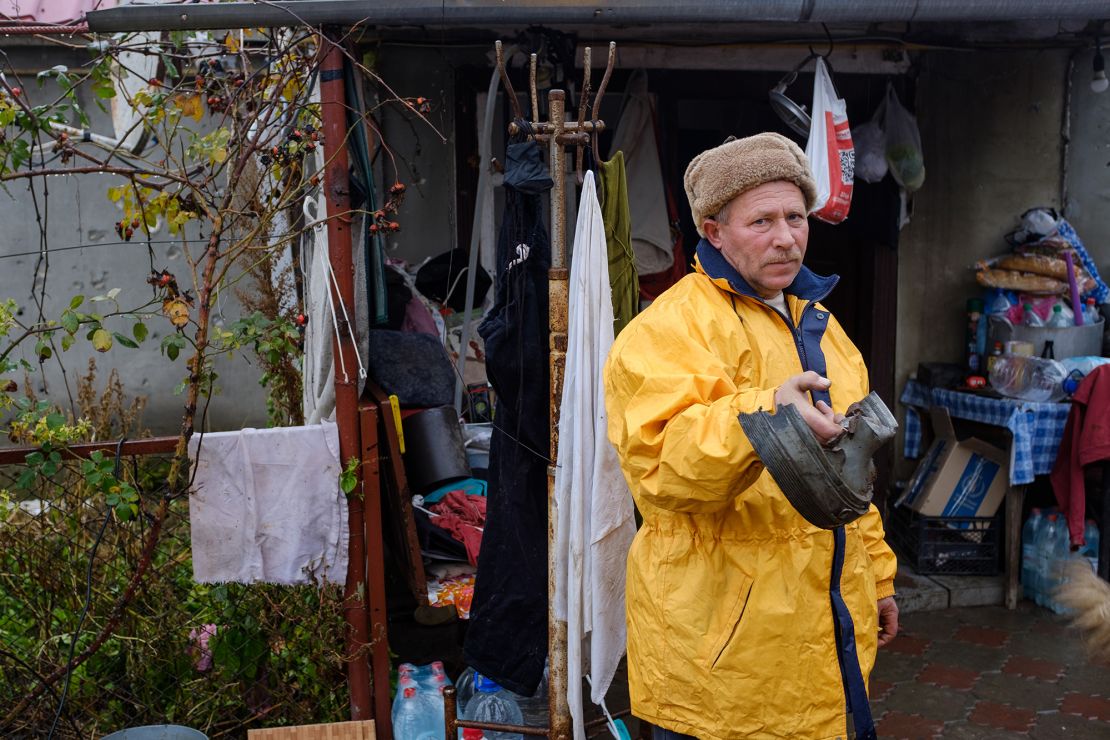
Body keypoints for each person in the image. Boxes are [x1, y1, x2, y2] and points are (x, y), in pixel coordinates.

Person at [603, 132, 898, 740]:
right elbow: (662, 467)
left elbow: (854, 474)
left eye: (795, 217)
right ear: (714, 232)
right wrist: (767, 417)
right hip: (721, 655)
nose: (786, 237)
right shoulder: (669, 329)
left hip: (824, 634)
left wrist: (880, 578)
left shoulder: (823, 327)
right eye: (761, 220)